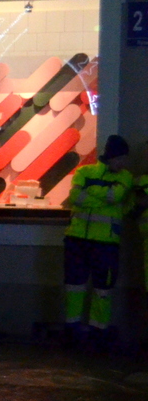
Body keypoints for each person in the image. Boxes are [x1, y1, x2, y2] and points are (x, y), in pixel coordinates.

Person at [62, 134, 133, 346]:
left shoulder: (124, 177)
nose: (124, 163)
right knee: (74, 285)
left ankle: (98, 330)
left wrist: (90, 190)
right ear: (112, 156)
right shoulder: (84, 171)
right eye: (121, 158)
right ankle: (72, 328)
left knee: (103, 289)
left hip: (105, 242)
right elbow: (75, 197)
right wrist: (104, 196)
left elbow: (114, 196)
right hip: (77, 239)